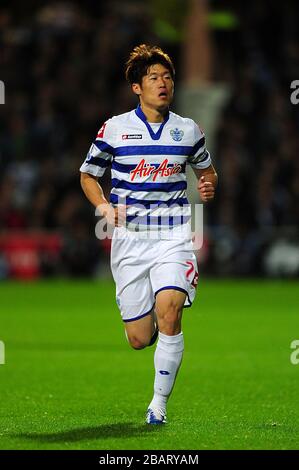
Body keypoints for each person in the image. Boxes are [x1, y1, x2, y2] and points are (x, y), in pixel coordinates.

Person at [80, 44, 217, 424]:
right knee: (140, 338)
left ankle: (158, 405)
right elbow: (88, 175)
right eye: (154, 77)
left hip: (173, 234)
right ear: (137, 87)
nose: (163, 83)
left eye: (168, 77)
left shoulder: (188, 130)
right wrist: (104, 206)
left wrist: (208, 186)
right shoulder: (115, 129)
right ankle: (151, 318)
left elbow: (207, 172)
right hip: (130, 240)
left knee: (171, 312)